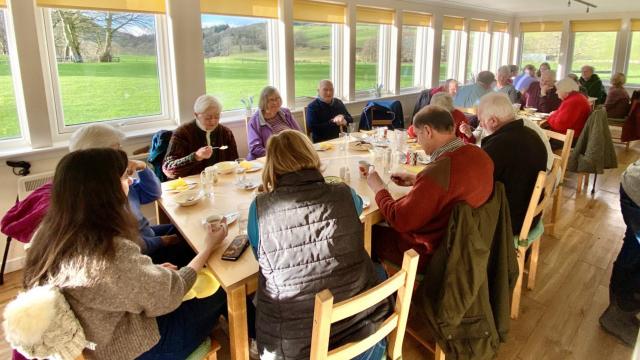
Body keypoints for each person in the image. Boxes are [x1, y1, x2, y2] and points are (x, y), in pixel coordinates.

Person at [22, 148, 228, 359]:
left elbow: (116, 287)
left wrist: (151, 273)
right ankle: (250, 339)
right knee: (226, 284)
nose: (130, 182)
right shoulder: (107, 251)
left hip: (102, 337)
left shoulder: (51, 235)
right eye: (124, 177)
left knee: (182, 254)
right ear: (103, 191)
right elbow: (169, 294)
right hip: (140, 348)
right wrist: (207, 247)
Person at [248, 130, 391, 359]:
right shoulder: (345, 193)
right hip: (366, 340)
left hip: (295, 350)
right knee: (373, 270)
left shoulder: (259, 208)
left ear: (272, 165)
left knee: (263, 290)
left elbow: (262, 258)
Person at [1, 124, 193, 266]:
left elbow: (151, 193)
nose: (121, 155)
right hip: (141, 253)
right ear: (97, 155)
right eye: (116, 149)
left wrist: (142, 167)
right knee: (193, 247)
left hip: (144, 238)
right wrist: (161, 241)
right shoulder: (98, 197)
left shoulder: (114, 179)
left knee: (190, 230)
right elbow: (125, 246)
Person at [363, 105, 494, 271]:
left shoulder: (438, 172)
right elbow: (454, 187)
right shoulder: (480, 155)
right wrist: (417, 180)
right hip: (466, 244)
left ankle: (386, 289)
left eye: (417, 135)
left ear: (427, 131)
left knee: (367, 233)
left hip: (431, 253)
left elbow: (399, 219)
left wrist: (379, 188)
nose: (417, 141)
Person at [478, 93, 548, 236]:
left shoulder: (499, 145)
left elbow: (477, 185)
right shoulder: (531, 134)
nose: (480, 125)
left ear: (493, 121)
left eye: (481, 121)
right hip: (530, 214)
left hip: (511, 222)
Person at [599, 160, 640, 347]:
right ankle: (619, 311)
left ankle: (621, 306)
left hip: (633, 185)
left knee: (633, 249)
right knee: (635, 253)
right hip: (636, 192)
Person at [163, 95, 239, 179]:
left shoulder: (225, 133)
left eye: (217, 117)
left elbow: (234, 162)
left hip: (220, 182)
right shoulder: (182, 133)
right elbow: (168, 169)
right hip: (190, 185)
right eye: (208, 118)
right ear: (196, 115)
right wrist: (196, 156)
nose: (213, 121)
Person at [247, 86, 301, 160]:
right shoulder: (254, 121)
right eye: (271, 100)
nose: (275, 102)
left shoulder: (286, 112)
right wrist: (278, 154)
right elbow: (255, 148)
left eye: (277, 98)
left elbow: (299, 134)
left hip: (290, 155)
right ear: (264, 102)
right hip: (270, 158)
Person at [410, 92, 475, 144]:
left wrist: (468, 134)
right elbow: (412, 131)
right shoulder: (429, 113)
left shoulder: (458, 116)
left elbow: (470, 142)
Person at [545, 77, 591, 148]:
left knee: (537, 137)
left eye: (558, 90)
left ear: (566, 90)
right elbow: (560, 113)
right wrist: (554, 115)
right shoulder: (577, 97)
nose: (556, 92)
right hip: (574, 136)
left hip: (568, 140)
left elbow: (559, 125)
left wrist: (550, 117)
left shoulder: (572, 102)